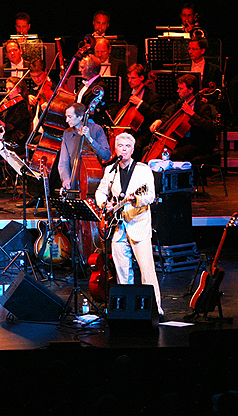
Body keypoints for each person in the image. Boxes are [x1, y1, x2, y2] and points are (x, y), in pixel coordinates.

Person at [95, 132, 163, 315]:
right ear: (115, 149)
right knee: (122, 271)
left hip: (138, 224)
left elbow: (150, 196)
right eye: (120, 146)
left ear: (132, 150)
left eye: (127, 146)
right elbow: (100, 192)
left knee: (146, 269)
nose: (123, 150)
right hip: (117, 226)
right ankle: (126, 309)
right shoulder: (110, 170)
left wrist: (135, 200)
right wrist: (104, 204)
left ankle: (155, 307)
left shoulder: (143, 170)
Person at [149, 74, 218, 162]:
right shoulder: (180, 104)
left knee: (174, 154)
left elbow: (209, 126)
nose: (178, 91)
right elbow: (169, 117)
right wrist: (159, 121)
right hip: (181, 141)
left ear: (190, 90)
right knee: (148, 149)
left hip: (197, 143)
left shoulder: (202, 107)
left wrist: (192, 114)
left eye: (181, 88)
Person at [58, 102, 111, 196]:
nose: (66, 120)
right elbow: (63, 162)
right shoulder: (67, 134)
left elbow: (106, 155)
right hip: (74, 181)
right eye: (66, 116)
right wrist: (66, 179)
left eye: (70, 117)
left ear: (80, 117)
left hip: (91, 183)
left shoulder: (97, 130)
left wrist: (90, 139)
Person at [116, 63, 163, 156]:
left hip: (144, 132)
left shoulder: (153, 96)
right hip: (127, 130)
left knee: (135, 145)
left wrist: (140, 104)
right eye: (128, 78)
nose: (129, 81)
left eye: (133, 78)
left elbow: (156, 114)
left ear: (141, 78)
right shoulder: (126, 94)